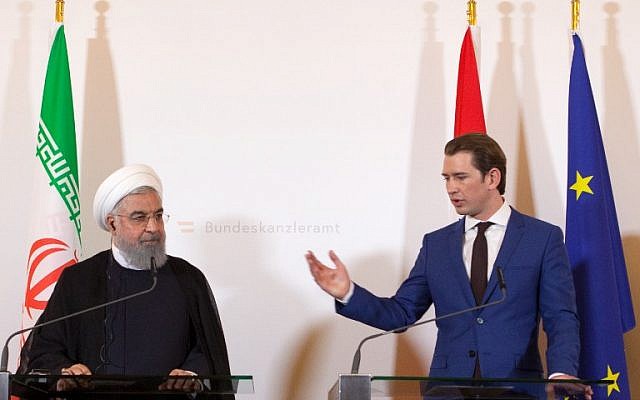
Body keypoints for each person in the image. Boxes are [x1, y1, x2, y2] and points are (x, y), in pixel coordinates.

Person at [306, 134, 592, 399]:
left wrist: (561, 370)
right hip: (447, 391)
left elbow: (561, 316)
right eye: (446, 178)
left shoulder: (542, 238)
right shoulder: (436, 245)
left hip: (517, 389)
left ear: (492, 177)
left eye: (460, 177)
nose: (451, 188)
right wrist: (348, 292)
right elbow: (401, 313)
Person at [19, 164, 233, 398]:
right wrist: (64, 372)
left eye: (158, 216)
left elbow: (209, 351)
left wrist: (192, 374)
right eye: (139, 218)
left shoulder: (188, 278)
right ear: (112, 224)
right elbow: (44, 350)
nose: (153, 228)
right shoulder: (79, 280)